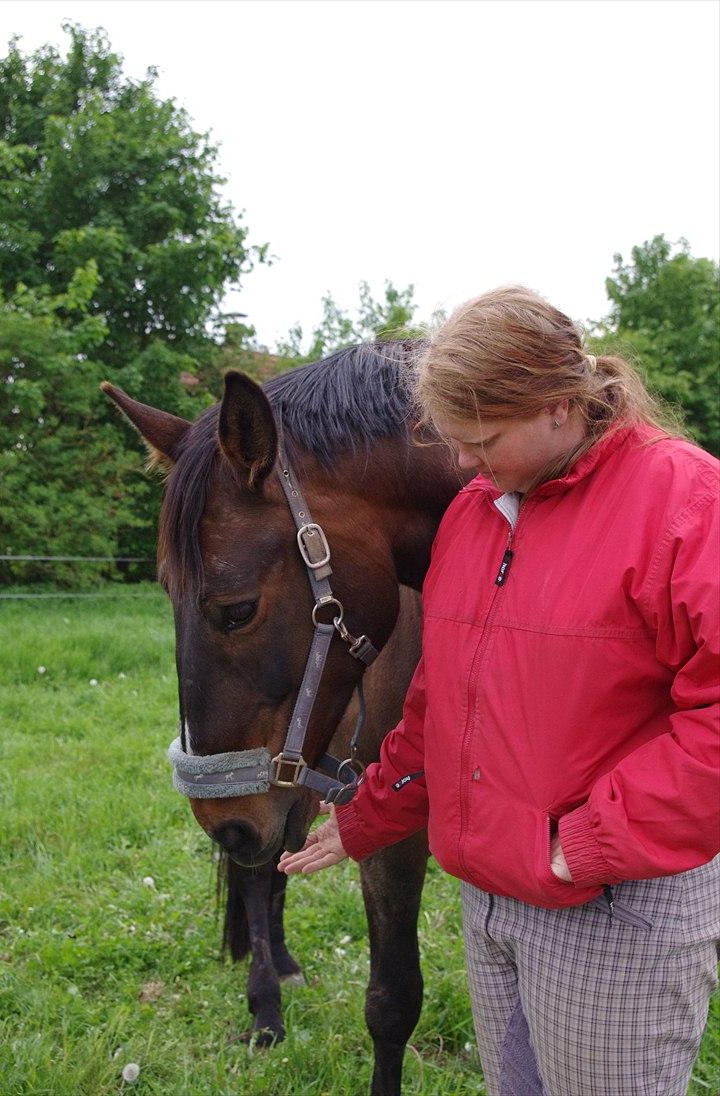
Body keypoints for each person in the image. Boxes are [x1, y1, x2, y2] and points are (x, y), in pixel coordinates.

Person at [278, 286, 719, 1096]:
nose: (464, 466)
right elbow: (439, 697)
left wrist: (580, 847)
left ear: (559, 406)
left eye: (481, 441)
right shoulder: (477, 514)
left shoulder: (687, 501)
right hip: (490, 899)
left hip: (612, 909)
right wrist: (370, 815)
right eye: (453, 443)